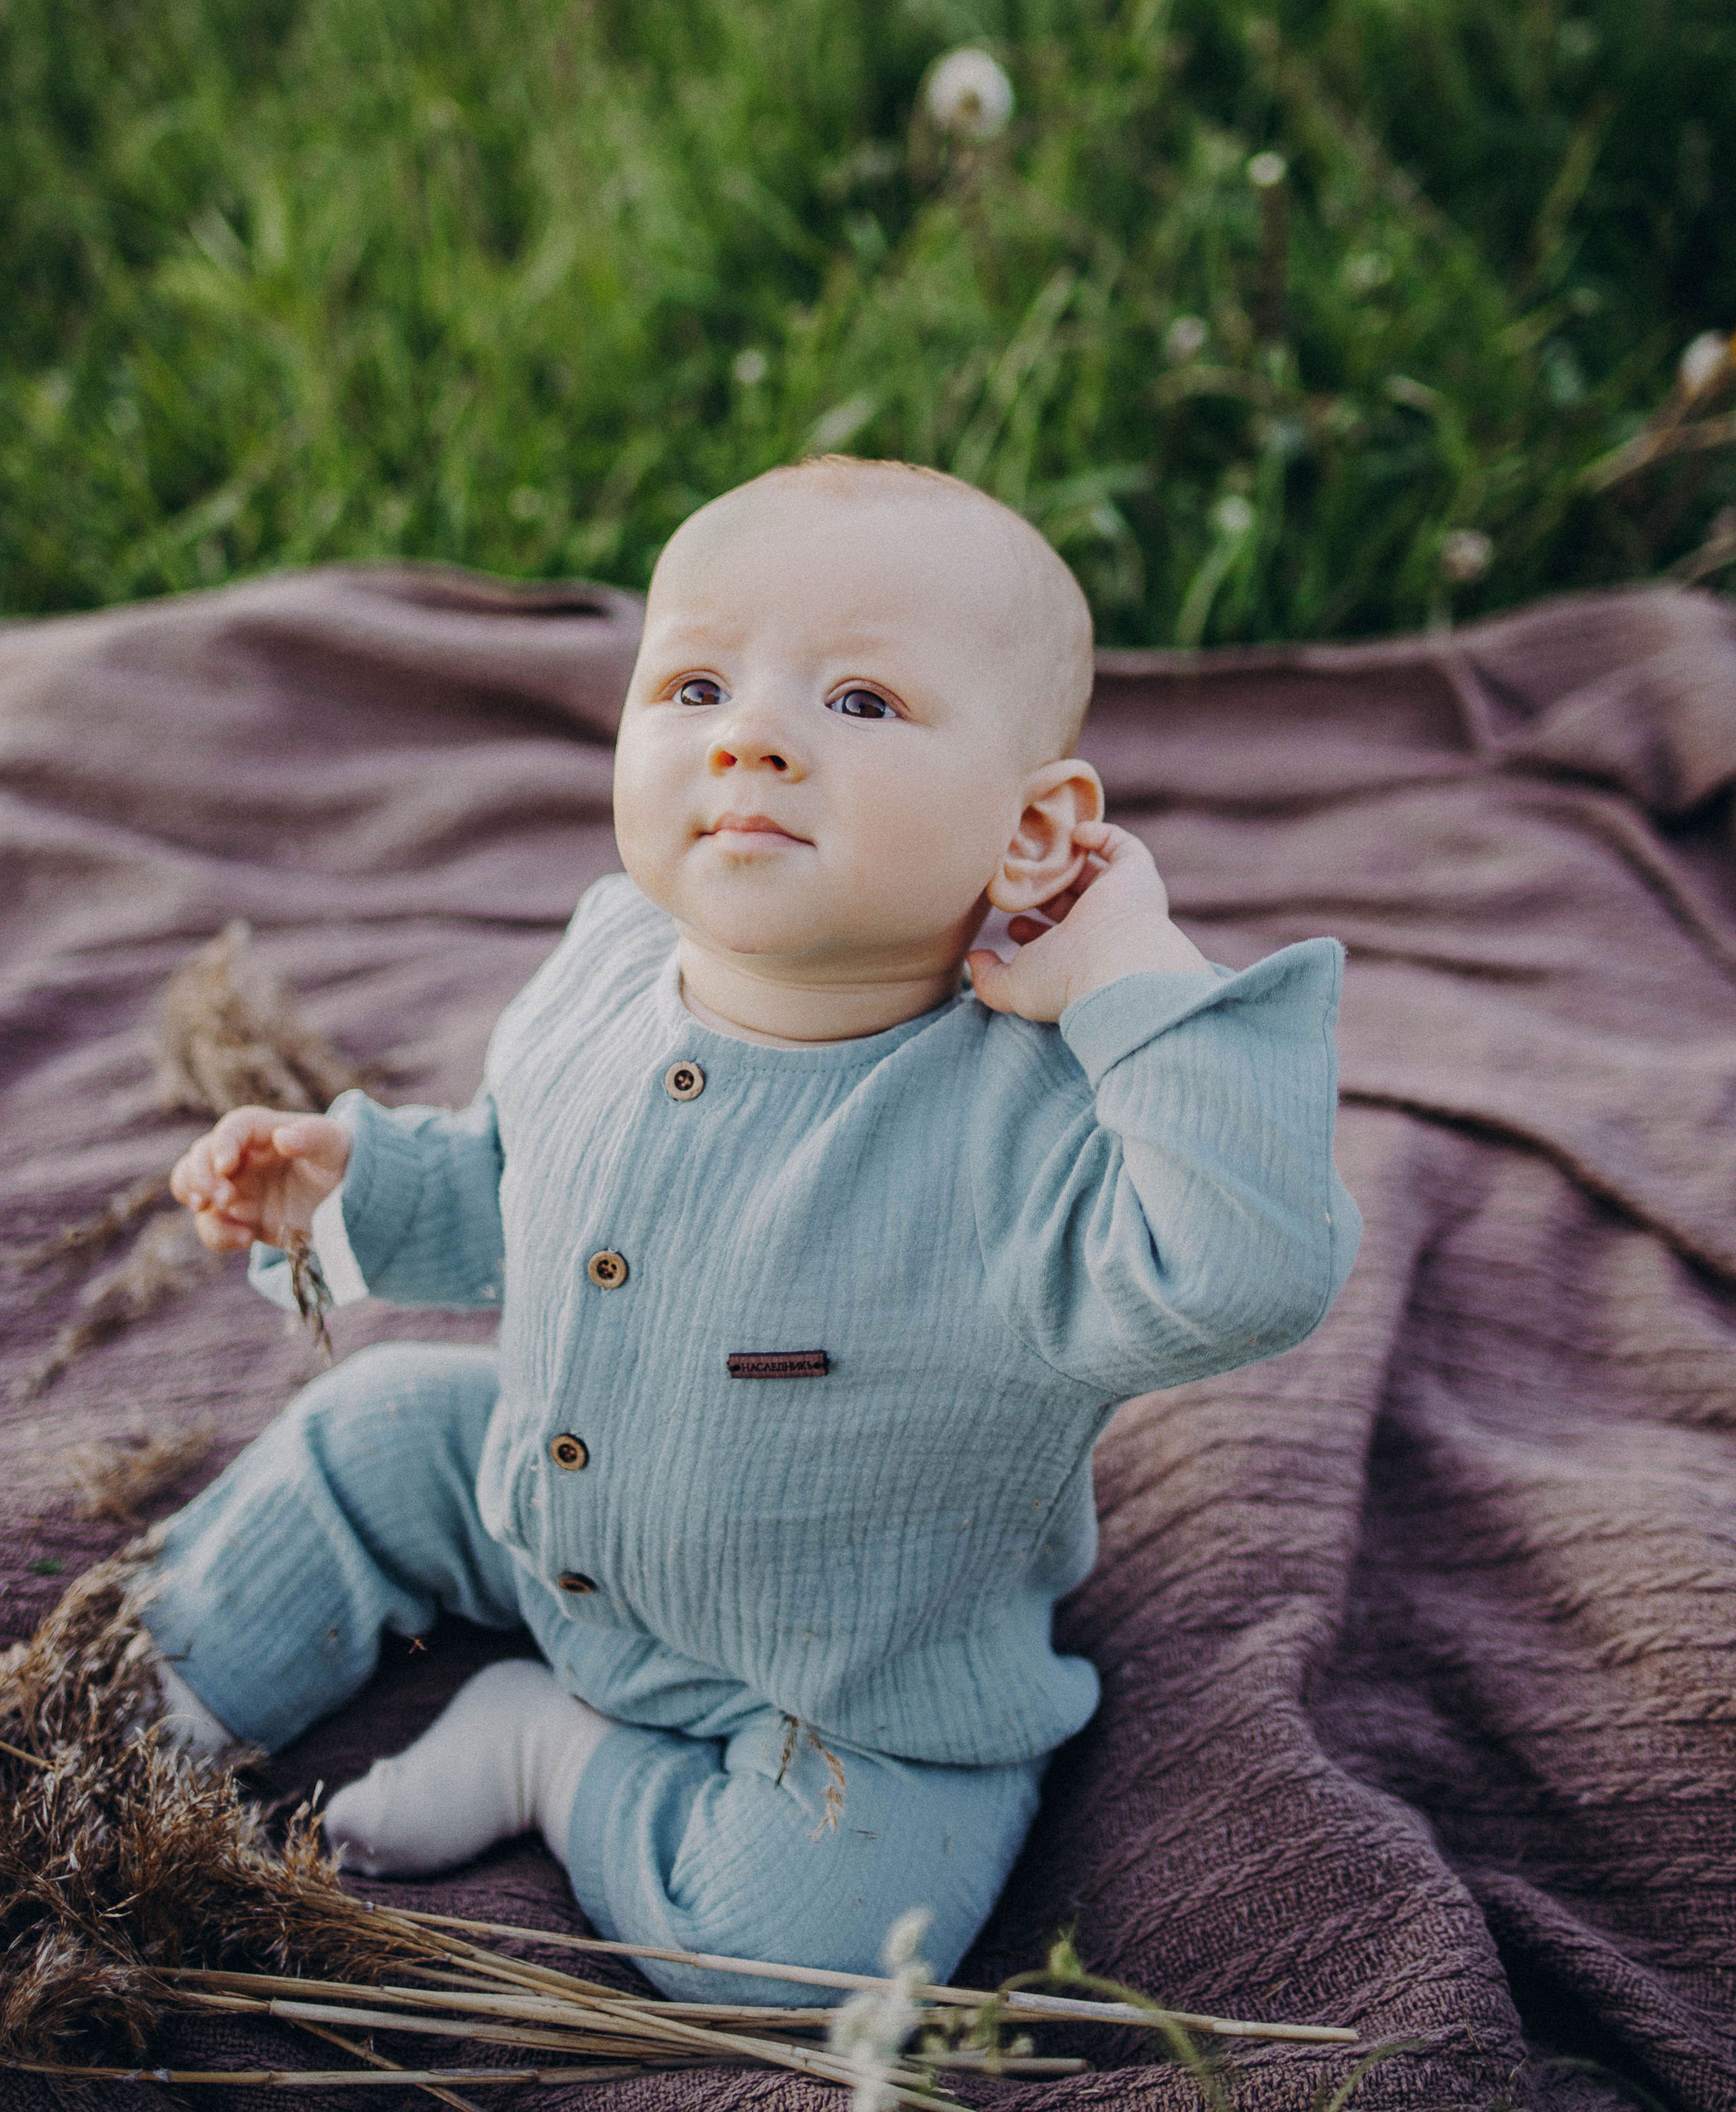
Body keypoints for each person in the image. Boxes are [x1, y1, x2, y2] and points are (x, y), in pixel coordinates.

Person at [151, 455, 1360, 2003]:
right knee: (368, 1431)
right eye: (697, 683)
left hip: (856, 1689)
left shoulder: (1040, 1127)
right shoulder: (608, 956)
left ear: (1036, 833)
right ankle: (141, 1711)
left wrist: (1134, 976)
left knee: (800, 1955)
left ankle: (554, 1755)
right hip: (545, 1511)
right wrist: (339, 1198)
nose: (751, 736)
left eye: (857, 703)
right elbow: (511, 1192)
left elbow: (1247, 1267)